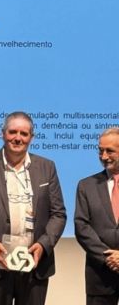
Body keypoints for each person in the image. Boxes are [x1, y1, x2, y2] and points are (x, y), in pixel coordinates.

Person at [0, 111, 66, 305]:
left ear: (31, 137)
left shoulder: (47, 167)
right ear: (2, 133)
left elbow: (58, 214)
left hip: (34, 262)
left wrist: (43, 244)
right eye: (12, 132)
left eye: (24, 133)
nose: (18, 138)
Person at [74, 127, 119, 305]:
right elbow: (82, 227)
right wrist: (109, 258)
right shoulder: (86, 186)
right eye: (100, 151)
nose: (104, 156)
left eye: (110, 151)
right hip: (100, 276)